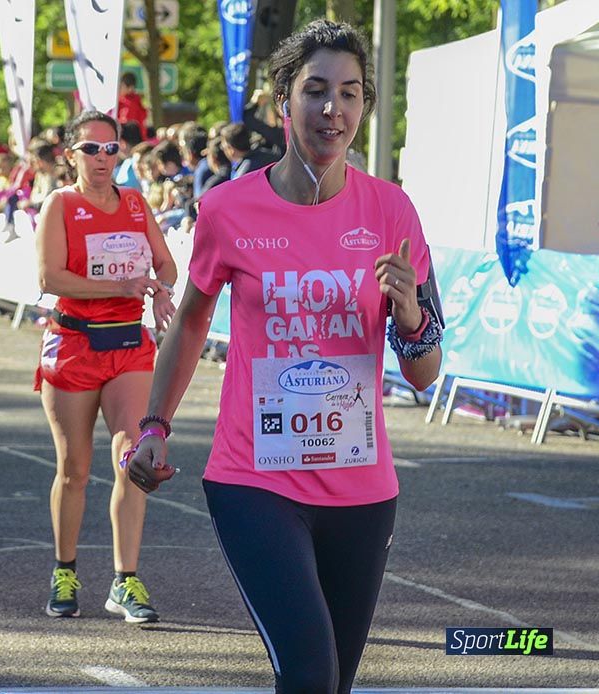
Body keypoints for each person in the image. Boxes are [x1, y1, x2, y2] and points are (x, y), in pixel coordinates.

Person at [126, 20, 444, 693]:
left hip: (363, 488)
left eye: (351, 94)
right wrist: (154, 427)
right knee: (308, 672)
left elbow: (424, 370)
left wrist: (410, 313)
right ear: (284, 102)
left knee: (334, 682)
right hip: (255, 480)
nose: (334, 109)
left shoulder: (393, 212)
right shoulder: (226, 210)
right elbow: (190, 321)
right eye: (317, 91)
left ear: (364, 107)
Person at [34, 110, 177, 623]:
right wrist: (120, 286)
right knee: (75, 470)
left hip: (128, 345)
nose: (102, 159)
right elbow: (50, 277)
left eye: (110, 149)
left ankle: (125, 581)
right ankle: (65, 570)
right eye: (90, 149)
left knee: (132, 454)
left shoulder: (136, 204)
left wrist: (159, 288)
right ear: (70, 154)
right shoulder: (61, 204)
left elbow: (166, 263)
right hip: (74, 346)